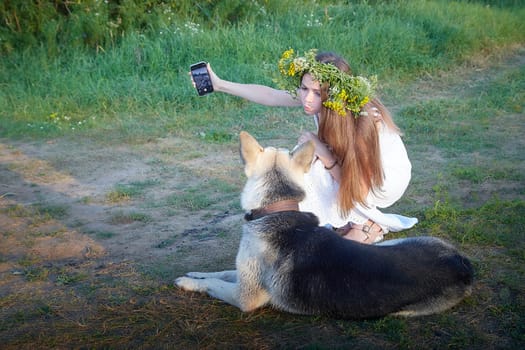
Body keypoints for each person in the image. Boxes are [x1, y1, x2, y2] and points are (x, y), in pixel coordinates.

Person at [190, 49, 417, 243]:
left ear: (334, 95)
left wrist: (322, 151)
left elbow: (360, 188)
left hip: (382, 181)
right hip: (355, 173)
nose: (307, 99)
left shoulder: (363, 119)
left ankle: (366, 225)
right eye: (304, 88)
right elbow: (270, 95)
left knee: (313, 167)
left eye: (317, 93)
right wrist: (219, 84)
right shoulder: (320, 99)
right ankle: (342, 221)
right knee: (309, 162)